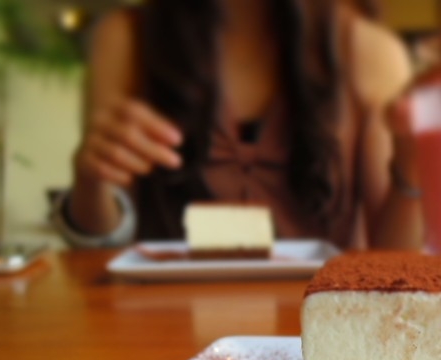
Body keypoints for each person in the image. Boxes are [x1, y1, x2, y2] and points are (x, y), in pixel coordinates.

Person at [53, 0, 419, 250]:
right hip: (159, 324)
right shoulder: (126, 38)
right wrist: (91, 180)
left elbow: (396, 258)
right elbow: (104, 241)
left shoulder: (369, 52)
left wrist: (414, 168)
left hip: (321, 323)